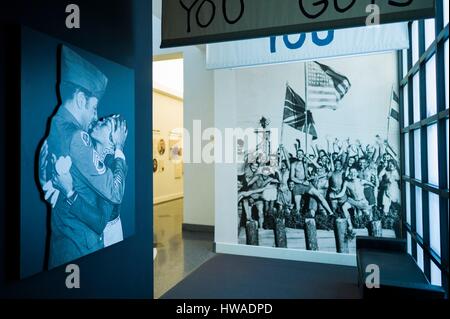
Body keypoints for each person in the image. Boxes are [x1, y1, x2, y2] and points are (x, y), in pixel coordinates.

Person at [38, 45, 128, 268]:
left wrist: (67, 192)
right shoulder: (78, 138)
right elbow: (112, 195)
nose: (96, 117)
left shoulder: (54, 132)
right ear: (80, 100)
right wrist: (120, 148)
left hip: (64, 246)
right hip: (80, 249)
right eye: (94, 108)